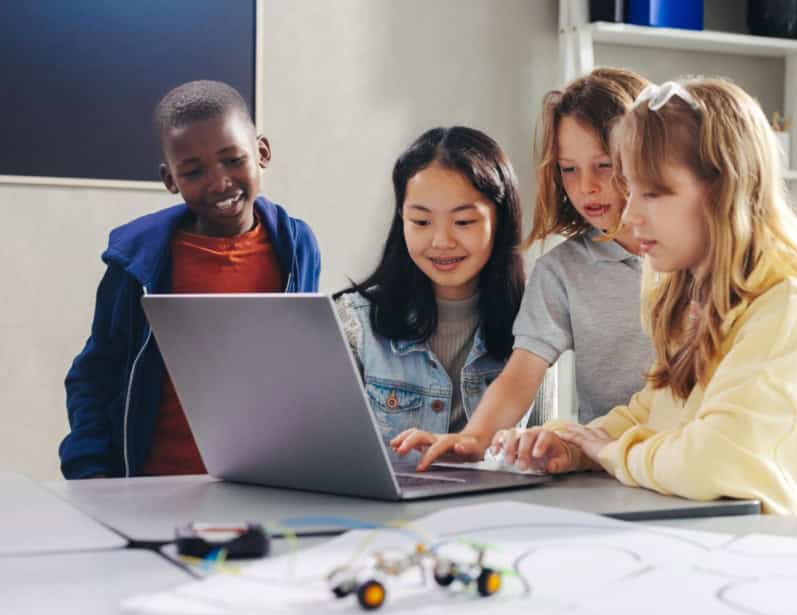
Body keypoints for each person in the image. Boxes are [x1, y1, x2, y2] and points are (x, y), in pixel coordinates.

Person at [501, 78, 797, 534]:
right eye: (632, 190)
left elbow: (710, 460)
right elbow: (653, 410)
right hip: (720, 549)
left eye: (653, 193)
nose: (632, 214)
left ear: (723, 190)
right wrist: (577, 445)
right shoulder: (689, 302)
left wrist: (609, 453)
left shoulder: (787, 310)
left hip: (788, 565)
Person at [392, 68, 654, 471]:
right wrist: (472, 439)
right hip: (610, 469)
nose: (586, 186)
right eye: (569, 169)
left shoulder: (692, 256)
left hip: (691, 460)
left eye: (604, 165)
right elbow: (519, 376)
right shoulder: (561, 271)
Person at [59, 80, 321, 479]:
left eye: (233, 160)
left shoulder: (296, 246)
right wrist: (90, 473)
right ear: (170, 179)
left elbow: (303, 367)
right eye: (194, 171)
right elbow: (94, 376)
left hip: (262, 483)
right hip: (154, 486)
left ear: (261, 152)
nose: (219, 183)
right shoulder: (136, 264)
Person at [333, 127, 525, 467]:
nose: (441, 241)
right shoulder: (354, 323)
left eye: (463, 221)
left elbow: (529, 459)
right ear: (401, 220)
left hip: (488, 513)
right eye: (421, 221)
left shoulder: (531, 323)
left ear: (501, 220)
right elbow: (330, 455)